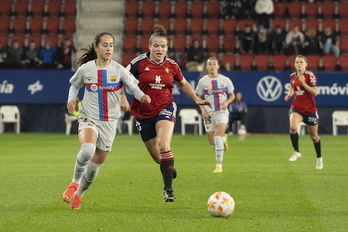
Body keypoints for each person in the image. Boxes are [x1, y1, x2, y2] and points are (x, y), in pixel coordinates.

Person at [62, 32, 151, 210]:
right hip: (89, 117)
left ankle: (79, 195)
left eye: (111, 45)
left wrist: (143, 97)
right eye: (105, 45)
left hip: (110, 122)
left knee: (94, 168)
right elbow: (74, 85)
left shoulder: (119, 70)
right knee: (87, 150)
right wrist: (71, 99)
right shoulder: (86, 68)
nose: (109, 48)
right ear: (96, 47)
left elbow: (133, 87)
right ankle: (74, 183)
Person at [125, 25, 212, 202]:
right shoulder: (138, 63)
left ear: (167, 47)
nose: (159, 49)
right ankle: (168, 167)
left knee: (164, 145)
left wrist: (196, 99)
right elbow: (121, 77)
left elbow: (184, 83)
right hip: (143, 112)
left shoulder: (172, 65)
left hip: (165, 107)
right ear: (149, 46)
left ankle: (168, 190)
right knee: (158, 157)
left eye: (163, 46)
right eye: (156, 46)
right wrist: (121, 97)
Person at [195, 57, 235, 174]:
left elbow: (232, 95)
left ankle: (218, 166)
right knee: (213, 144)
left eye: (214, 64)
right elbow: (198, 97)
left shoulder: (225, 80)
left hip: (222, 111)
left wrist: (226, 103)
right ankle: (223, 139)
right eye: (209, 64)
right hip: (209, 113)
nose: (212, 66)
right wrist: (203, 110)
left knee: (217, 137)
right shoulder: (203, 81)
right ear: (206, 67)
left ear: (218, 66)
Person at [284, 55, 323, 170]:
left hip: (310, 110)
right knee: (292, 126)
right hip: (297, 108)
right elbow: (292, 86)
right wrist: (289, 95)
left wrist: (304, 83)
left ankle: (319, 158)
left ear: (306, 64)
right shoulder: (292, 76)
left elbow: (315, 92)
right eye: (296, 62)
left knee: (314, 136)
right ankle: (296, 151)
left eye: (301, 62)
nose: (298, 64)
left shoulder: (309, 76)